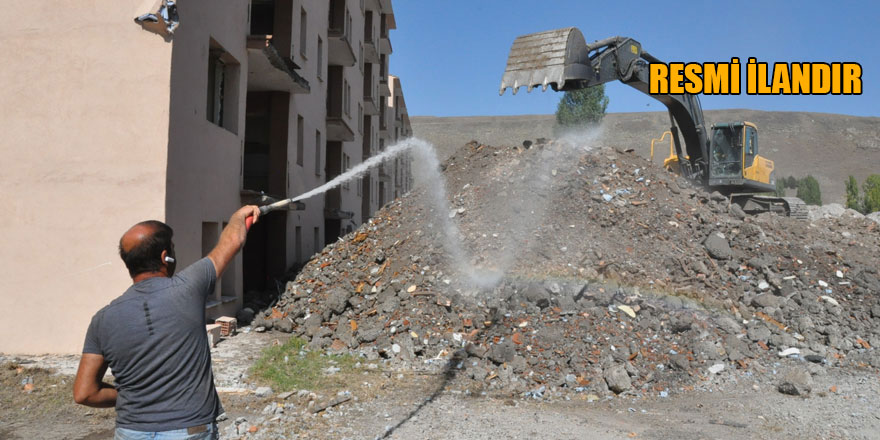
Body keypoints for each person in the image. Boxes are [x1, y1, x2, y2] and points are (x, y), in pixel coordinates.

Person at [73, 206, 261, 440]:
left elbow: (84, 393)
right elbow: (232, 241)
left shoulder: (102, 319)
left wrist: (129, 396)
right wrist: (238, 217)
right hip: (189, 430)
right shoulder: (189, 287)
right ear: (165, 257)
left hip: (131, 432)